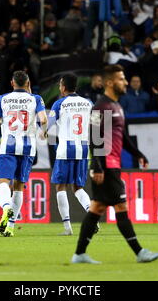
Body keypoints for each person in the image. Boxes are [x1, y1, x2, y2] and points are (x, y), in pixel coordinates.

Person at [71, 65, 158, 264]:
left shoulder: (117, 106)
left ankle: (79, 254)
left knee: (96, 208)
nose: (126, 82)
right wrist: (97, 166)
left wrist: (138, 154)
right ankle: (139, 252)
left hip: (112, 165)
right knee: (120, 206)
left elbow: (124, 136)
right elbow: (94, 137)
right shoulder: (100, 107)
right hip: (106, 166)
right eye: (122, 79)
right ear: (110, 82)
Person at [0, 71, 48, 237]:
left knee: (3, 181)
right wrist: (43, 132)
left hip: (8, 146)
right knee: (19, 186)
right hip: (28, 147)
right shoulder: (36, 99)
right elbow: (43, 119)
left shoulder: (2, 98)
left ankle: (6, 206)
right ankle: (10, 226)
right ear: (28, 83)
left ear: (12, 83)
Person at [49, 74, 94, 236]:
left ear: (63, 87)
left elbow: (49, 124)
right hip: (83, 149)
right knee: (78, 187)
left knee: (61, 186)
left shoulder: (60, 103)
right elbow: (97, 125)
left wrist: (42, 131)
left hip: (65, 150)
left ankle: (68, 228)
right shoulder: (88, 103)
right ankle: (92, 218)